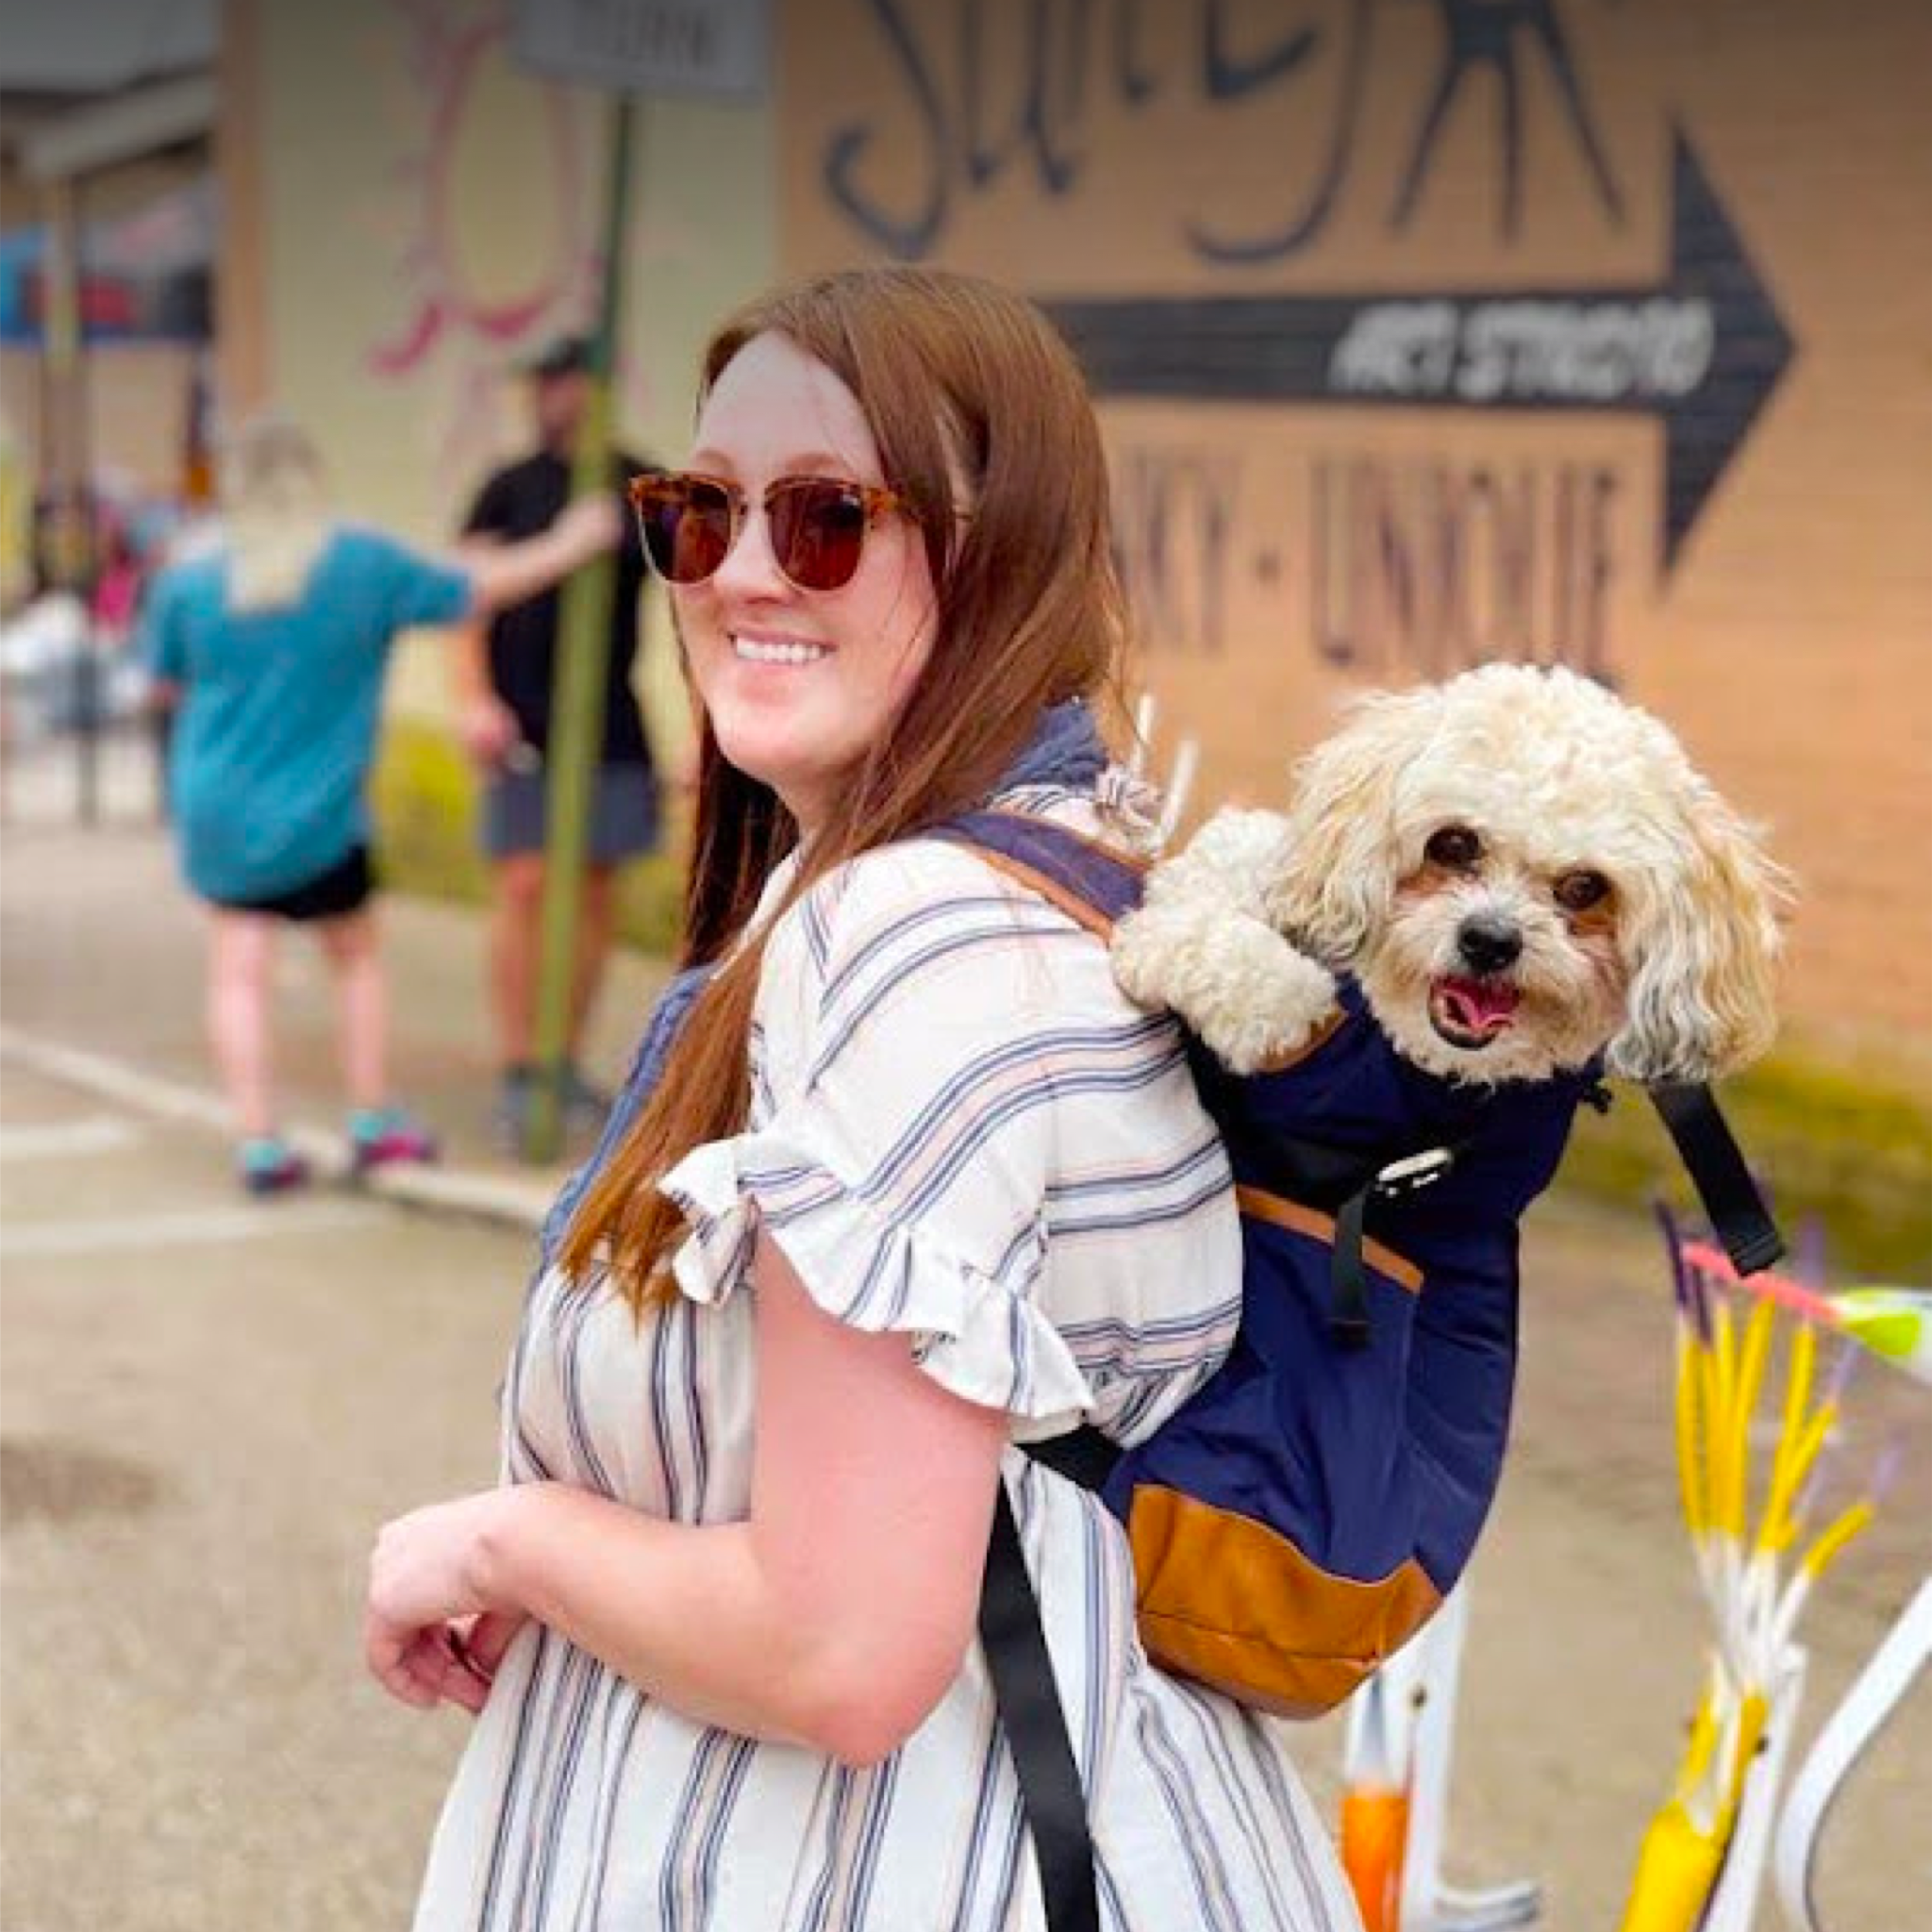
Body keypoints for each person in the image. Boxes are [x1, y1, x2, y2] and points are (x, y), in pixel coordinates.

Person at [366, 267, 1361, 1931]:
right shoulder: (1054, 859)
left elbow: (836, 1647)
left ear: (1000, 549)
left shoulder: (898, 941)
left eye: (827, 519)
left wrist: (505, 1541)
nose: (743, 571)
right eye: (698, 514)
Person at [141, 416, 618, 1194]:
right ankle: (370, 1118)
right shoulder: (359, 563)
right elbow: (476, 589)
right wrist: (573, 540)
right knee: (356, 957)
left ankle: (259, 1141)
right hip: (323, 816)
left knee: (237, 970)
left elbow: (162, 684)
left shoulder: (189, 582)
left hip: (217, 807)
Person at [453, 333, 661, 1152]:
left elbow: (696, 605)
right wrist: (473, 699)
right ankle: (518, 1066)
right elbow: (462, 601)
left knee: (595, 889)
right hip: (523, 721)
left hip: (610, 719)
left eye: (561, 380)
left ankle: (565, 1058)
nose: (548, 396)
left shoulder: (641, 486)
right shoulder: (507, 489)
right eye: (541, 383)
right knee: (525, 883)